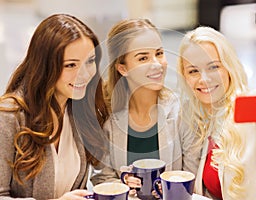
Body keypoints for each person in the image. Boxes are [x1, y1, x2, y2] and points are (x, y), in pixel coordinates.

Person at [177, 26, 256, 200]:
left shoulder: (253, 104)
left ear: (229, 67)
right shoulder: (198, 118)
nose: (204, 78)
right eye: (193, 71)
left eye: (213, 67)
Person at [0, 14, 108, 199]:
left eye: (90, 61)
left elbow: (101, 172)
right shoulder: (9, 117)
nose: (84, 74)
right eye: (71, 65)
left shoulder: (80, 109)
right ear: (45, 67)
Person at [90, 18, 200, 195]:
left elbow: (191, 179)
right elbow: (102, 178)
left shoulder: (182, 112)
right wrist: (123, 183)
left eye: (159, 53)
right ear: (123, 68)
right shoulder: (107, 117)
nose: (157, 64)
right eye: (143, 58)